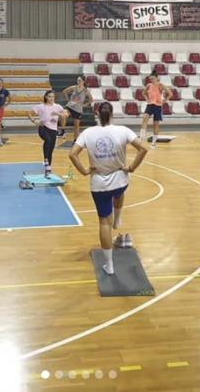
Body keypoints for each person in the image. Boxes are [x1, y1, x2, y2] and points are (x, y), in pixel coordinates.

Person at [69, 102, 149, 275]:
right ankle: (118, 218)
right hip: (120, 180)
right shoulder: (123, 130)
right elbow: (143, 148)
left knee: (104, 222)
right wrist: (132, 168)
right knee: (119, 194)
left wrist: (84, 171)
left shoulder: (87, 133)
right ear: (112, 114)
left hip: (99, 185)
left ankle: (109, 265)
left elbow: (72, 154)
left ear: (97, 114)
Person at [27, 90, 69, 179]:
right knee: (48, 140)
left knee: (51, 150)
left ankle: (48, 169)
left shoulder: (57, 106)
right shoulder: (41, 106)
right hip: (43, 128)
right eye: (49, 96)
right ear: (46, 97)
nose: (51, 98)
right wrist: (35, 121)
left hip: (53, 130)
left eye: (53, 97)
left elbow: (66, 114)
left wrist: (58, 113)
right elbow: (29, 113)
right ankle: (46, 160)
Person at [139, 72, 174, 149]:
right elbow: (143, 93)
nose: (152, 80)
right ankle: (141, 138)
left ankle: (153, 143)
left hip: (158, 106)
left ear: (156, 78)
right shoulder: (149, 85)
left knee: (156, 124)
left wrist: (163, 101)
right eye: (150, 79)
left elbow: (170, 94)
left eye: (153, 78)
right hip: (150, 105)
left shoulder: (160, 85)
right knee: (145, 118)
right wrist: (147, 99)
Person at [59, 76, 94, 142]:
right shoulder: (74, 87)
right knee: (63, 115)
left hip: (78, 109)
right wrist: (67, 99)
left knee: (76, 126)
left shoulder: (85, 91)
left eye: (79, 80)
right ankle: (62, 131)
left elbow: (91, 99)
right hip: (70, 107)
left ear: (83, 81)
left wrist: (85, 105)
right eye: (77, 80)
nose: (78, 82)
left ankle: (75, 141)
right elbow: (64, 91)